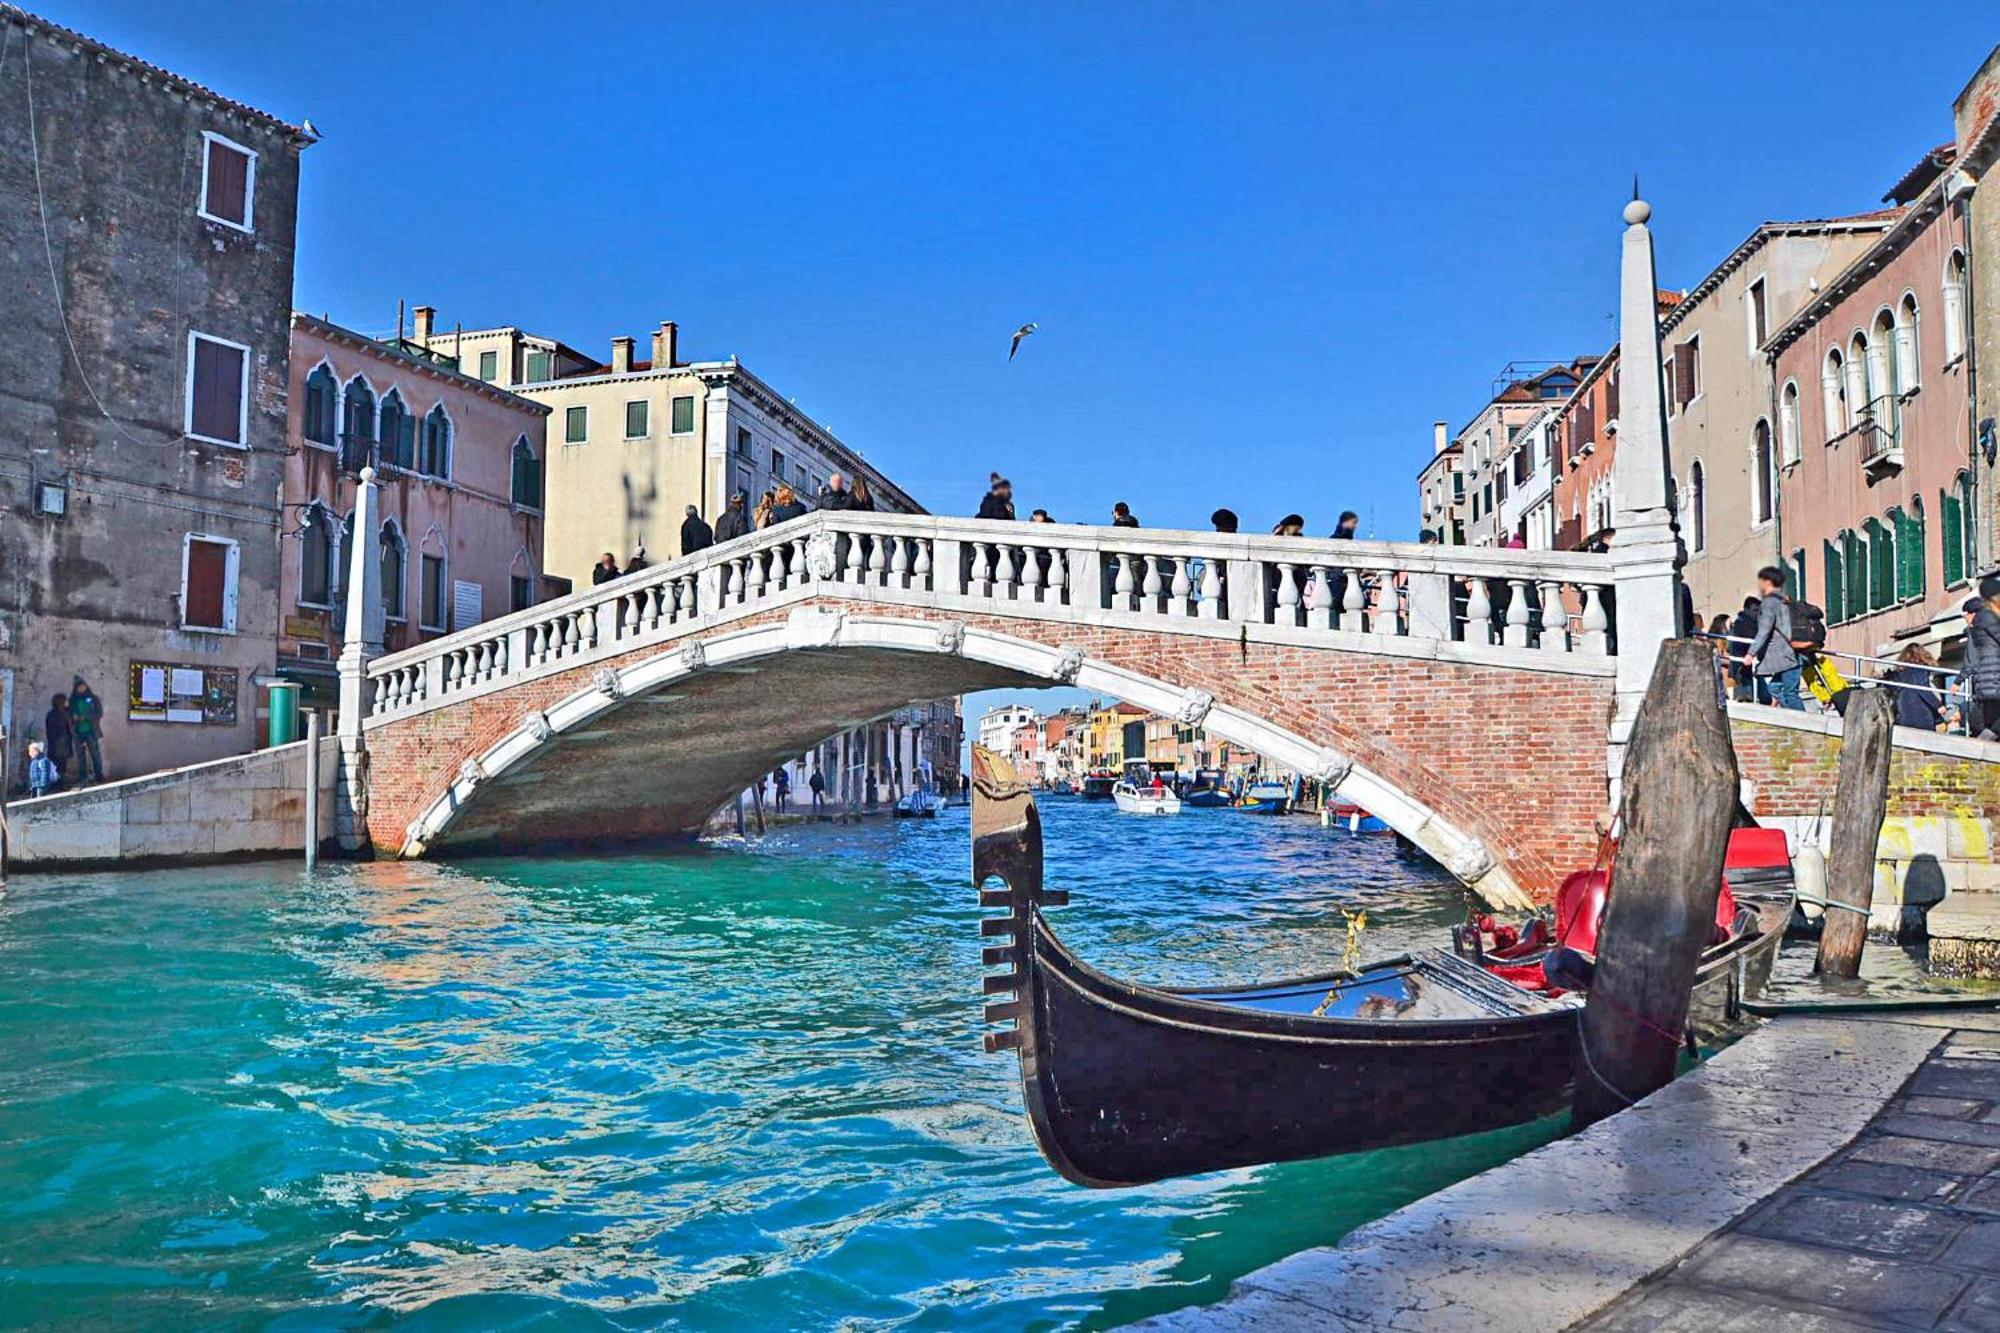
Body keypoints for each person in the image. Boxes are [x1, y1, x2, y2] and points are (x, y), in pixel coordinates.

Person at [1744, 566, 1803, 711]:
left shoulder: (1769, 603)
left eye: (1761, 581)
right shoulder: (1787, 600)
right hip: (1795, 650)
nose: (1759, 585)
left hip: (1785, 655)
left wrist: (1751, 653)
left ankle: (1805, 721)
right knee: (1775, 687)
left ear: (1768, 582)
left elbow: (1764, 631)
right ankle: (1794, 717)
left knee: (1790, 693)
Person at [1969, 576, 2000, 740]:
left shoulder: (1985, 618)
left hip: (1990, 678)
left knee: (1991, 720)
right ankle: (1982, 744)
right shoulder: (1988, 617)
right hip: (1993, 677)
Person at [1887, 644, 1945, 732]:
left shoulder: (1900, 674)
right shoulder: (1919, 670)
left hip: (1904, 718)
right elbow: (1923, 689)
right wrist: (1938, 706)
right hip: (1921, 718)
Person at [1727, 596, 1764, 703]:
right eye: (1755, 610)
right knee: (1745, 697)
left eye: (1759, 611)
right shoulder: (1742, 624)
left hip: (1748, 663)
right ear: (1746, 609)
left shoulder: (1749, 623)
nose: (1757, 614)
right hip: (1743, 665)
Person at [69, 677, 105, 784]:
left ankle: (98, 775)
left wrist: (86, 717)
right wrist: (73, 717)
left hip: (91, 730)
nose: (81, 688)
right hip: (77, 731)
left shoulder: (93, 699)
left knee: (95, 753)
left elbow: (99, 713)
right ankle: (82, 777)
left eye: (82, 686)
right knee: (80, 756)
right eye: (78, 687)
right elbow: (68, 714)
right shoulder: (72, 700)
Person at [43, 693, 72, 791]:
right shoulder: (58, 715)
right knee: (59, 766)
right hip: (60, 744)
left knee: (59, 766)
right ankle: (57, 785)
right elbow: (63, 730)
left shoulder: (55, 714)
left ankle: (58, 784)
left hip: (58, 744)